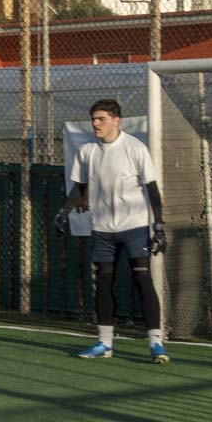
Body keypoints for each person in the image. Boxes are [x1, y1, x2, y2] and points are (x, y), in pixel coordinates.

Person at [56, 99, 169, 362]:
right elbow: (80, 188)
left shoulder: (134, 147)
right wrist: (63, 212)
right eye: (93, 119)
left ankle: (156, 343)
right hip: (102, 229)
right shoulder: (87, 151)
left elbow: (152, 189)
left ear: (116, 120)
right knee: (104, 282)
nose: (96, 123)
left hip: (135, 226)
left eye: (101, 119)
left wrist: (159, 225)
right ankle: (104, 343)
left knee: (142, 278)